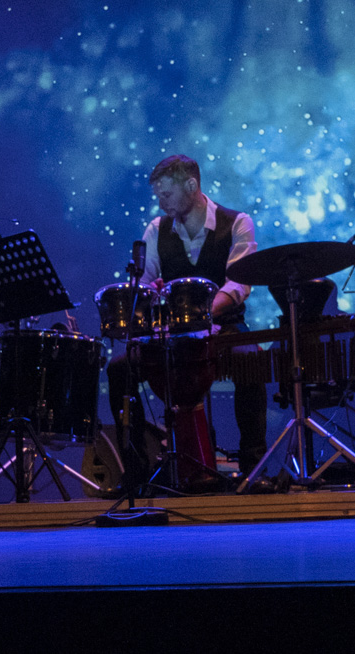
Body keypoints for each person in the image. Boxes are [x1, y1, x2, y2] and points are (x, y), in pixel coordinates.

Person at [105, 154, 268, 486]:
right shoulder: (156, 229)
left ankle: (253, 468)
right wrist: (152, 292)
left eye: (166, 194)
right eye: (159, 196)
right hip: (174, 335)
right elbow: (146, 283)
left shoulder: (237, 223)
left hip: (223, 329)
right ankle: (136, 473)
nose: (161, 202)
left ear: (192, 186)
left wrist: (205, 312)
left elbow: (239, 284)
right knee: (119, 370)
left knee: (251, 361)